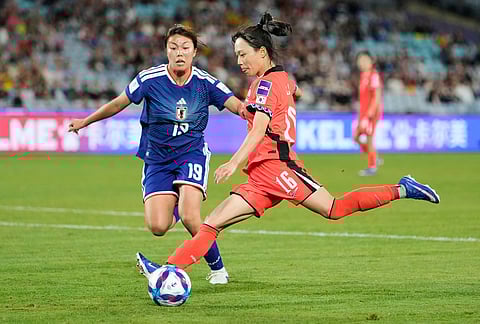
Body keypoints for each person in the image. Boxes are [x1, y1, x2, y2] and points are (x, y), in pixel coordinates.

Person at [138, 13, 440, 273]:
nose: (239, 62)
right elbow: (293, 90)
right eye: (236, 56)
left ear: (262, 52)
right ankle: (167, 270)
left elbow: (258, 129)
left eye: (243, 54)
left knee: (333, 208)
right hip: (260, 176)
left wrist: (233, 162)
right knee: (211, 223)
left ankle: (402, 188)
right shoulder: (279, 78)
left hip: (278, 167)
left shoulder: (265, 84)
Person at [68, 24, 249, 285]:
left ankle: (218, 269)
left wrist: (257, 115)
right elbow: (119, 102)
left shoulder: (205, 83)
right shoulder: (149, 79)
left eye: (185, 48)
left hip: (191, 154)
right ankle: (178, 197)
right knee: (158, 227)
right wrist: (86, 121)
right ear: (166, 51)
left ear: (194, 53)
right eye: (173, 47)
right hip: (157, 159)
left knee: (190, 216)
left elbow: (235, 104)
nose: (179, 52)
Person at [353, 51, 384, 176]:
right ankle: (374, 157)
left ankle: (372, 167)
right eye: (360, 60)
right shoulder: (363, 76)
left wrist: (370, 114)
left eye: (365, 60)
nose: (362, 63)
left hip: (371, 113)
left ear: (371, 61)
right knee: (356, 137)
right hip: (364, 112)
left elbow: (376, 96)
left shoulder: (373, 75)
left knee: (370, 139)